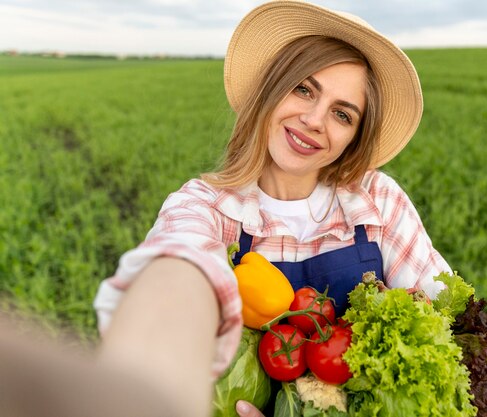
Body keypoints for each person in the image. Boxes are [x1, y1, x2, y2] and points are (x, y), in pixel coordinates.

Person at [91, 1, 452, 416]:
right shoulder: (207, 206)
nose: (315, 120)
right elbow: (179, 262)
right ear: (272, 88)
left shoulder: (376, 201)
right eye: (304, 89)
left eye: (342, 114)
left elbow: (443, 322)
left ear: (355, 136)